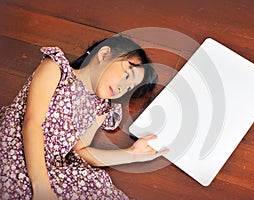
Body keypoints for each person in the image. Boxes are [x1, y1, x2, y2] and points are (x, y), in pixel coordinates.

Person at [0, 35, 167, 199]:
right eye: (126, 76)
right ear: (103, 55)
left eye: (129, 87)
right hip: (16, 149)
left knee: (98, 188)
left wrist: (131, 154)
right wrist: (42, 186)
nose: (122, 88)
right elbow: (32, 123)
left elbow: (81, 151)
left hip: (50, 167)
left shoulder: (99, 108)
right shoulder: (57, 70)